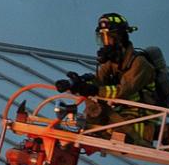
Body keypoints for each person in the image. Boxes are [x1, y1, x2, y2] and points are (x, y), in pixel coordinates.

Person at [58, 12, 160, 146]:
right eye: (102, 38)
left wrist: (92, 89)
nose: (105, 43)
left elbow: (123, 90)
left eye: (109, 37)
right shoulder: (113, 62)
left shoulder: (139, 63)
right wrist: (76, 85)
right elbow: (99, 82)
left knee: (98, 120)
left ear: (120, 38)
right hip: (121, 114)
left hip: (139, 119)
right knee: (90, 113)